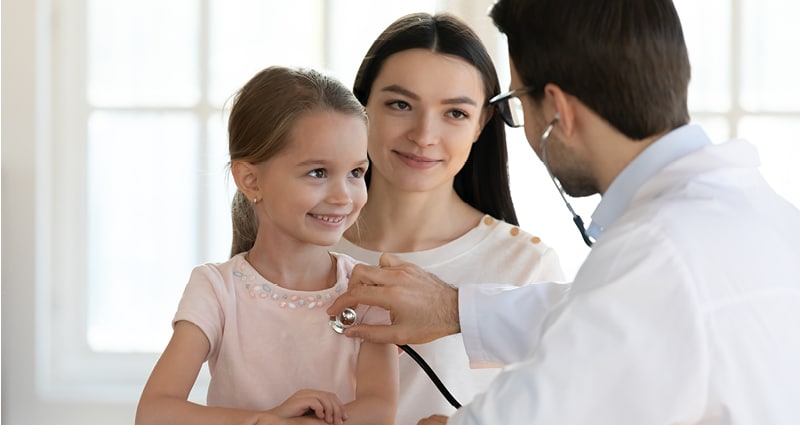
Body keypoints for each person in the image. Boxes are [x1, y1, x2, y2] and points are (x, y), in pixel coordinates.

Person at [328, 0, 800, 424]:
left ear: (556, 109)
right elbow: (600, 313)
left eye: (516, 101)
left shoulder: (656, 248)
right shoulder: (763, 217)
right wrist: (454, 308)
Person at [330, 12, 566, 425]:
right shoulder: (299, 239)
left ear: (481, 124)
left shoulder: (526, 266)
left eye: (455, 113)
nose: (423, 135)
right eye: (400, 104)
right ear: (362, 106)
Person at [136, 66, 398, 425]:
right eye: (318, 172)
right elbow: (154, 413)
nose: (343, 196)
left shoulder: (367, 293)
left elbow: (378, 410)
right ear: (250, 179)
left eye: (356, 172)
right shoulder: (216, 290)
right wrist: (264, 419)